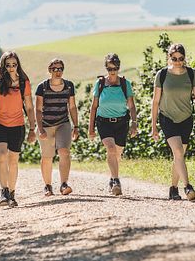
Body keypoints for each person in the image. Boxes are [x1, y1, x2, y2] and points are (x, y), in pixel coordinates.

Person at [151, 43, 195, 201]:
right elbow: (155, 102)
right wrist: (153, 126)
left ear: (184, 58)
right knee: (179, 152)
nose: (177, 61)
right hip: (168, 118)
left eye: (180, 58)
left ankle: (173, 188)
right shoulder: (162, 75)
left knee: (179, 155)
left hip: (186, 118)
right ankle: (188, 187)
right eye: (174, 58)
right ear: (169, 58)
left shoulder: (191, 74)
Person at [0, 51, 36, 207]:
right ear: (3, 66)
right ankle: (4, 192)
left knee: (13, 161)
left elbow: (29, 107)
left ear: (18, 65)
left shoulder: (23, 82)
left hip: (17, 125)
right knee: (2, 156)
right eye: (8, 65)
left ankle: (12, 194)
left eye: (14, 65)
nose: (11, 68)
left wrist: (33, 128)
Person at [88, 53, 137, 195]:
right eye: (109, 68)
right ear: (106, 68)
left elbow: (132, 106)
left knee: (117, 152)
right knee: (111, 148)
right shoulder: (101, 83)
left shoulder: (124, 84)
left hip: (122, 122)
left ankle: (111, 177)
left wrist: (134, 123)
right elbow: (94, 106)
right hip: (103, 122)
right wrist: (91, 128)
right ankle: (116, 180)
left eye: (115, 68)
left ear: (119, 67)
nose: (112, 71)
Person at [35, 58, 79, 196]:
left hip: (63, 123)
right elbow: (38, 109)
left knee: (64, 151)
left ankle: (64, 184)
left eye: (60, 69)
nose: (57, 71)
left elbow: (72, 107)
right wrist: (40, 128)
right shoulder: (42, 87)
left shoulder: (69, 86)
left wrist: (76, 126)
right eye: (54, 69)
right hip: (46, 125)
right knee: (47, 156)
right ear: (50, 70)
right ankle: (48, 186)